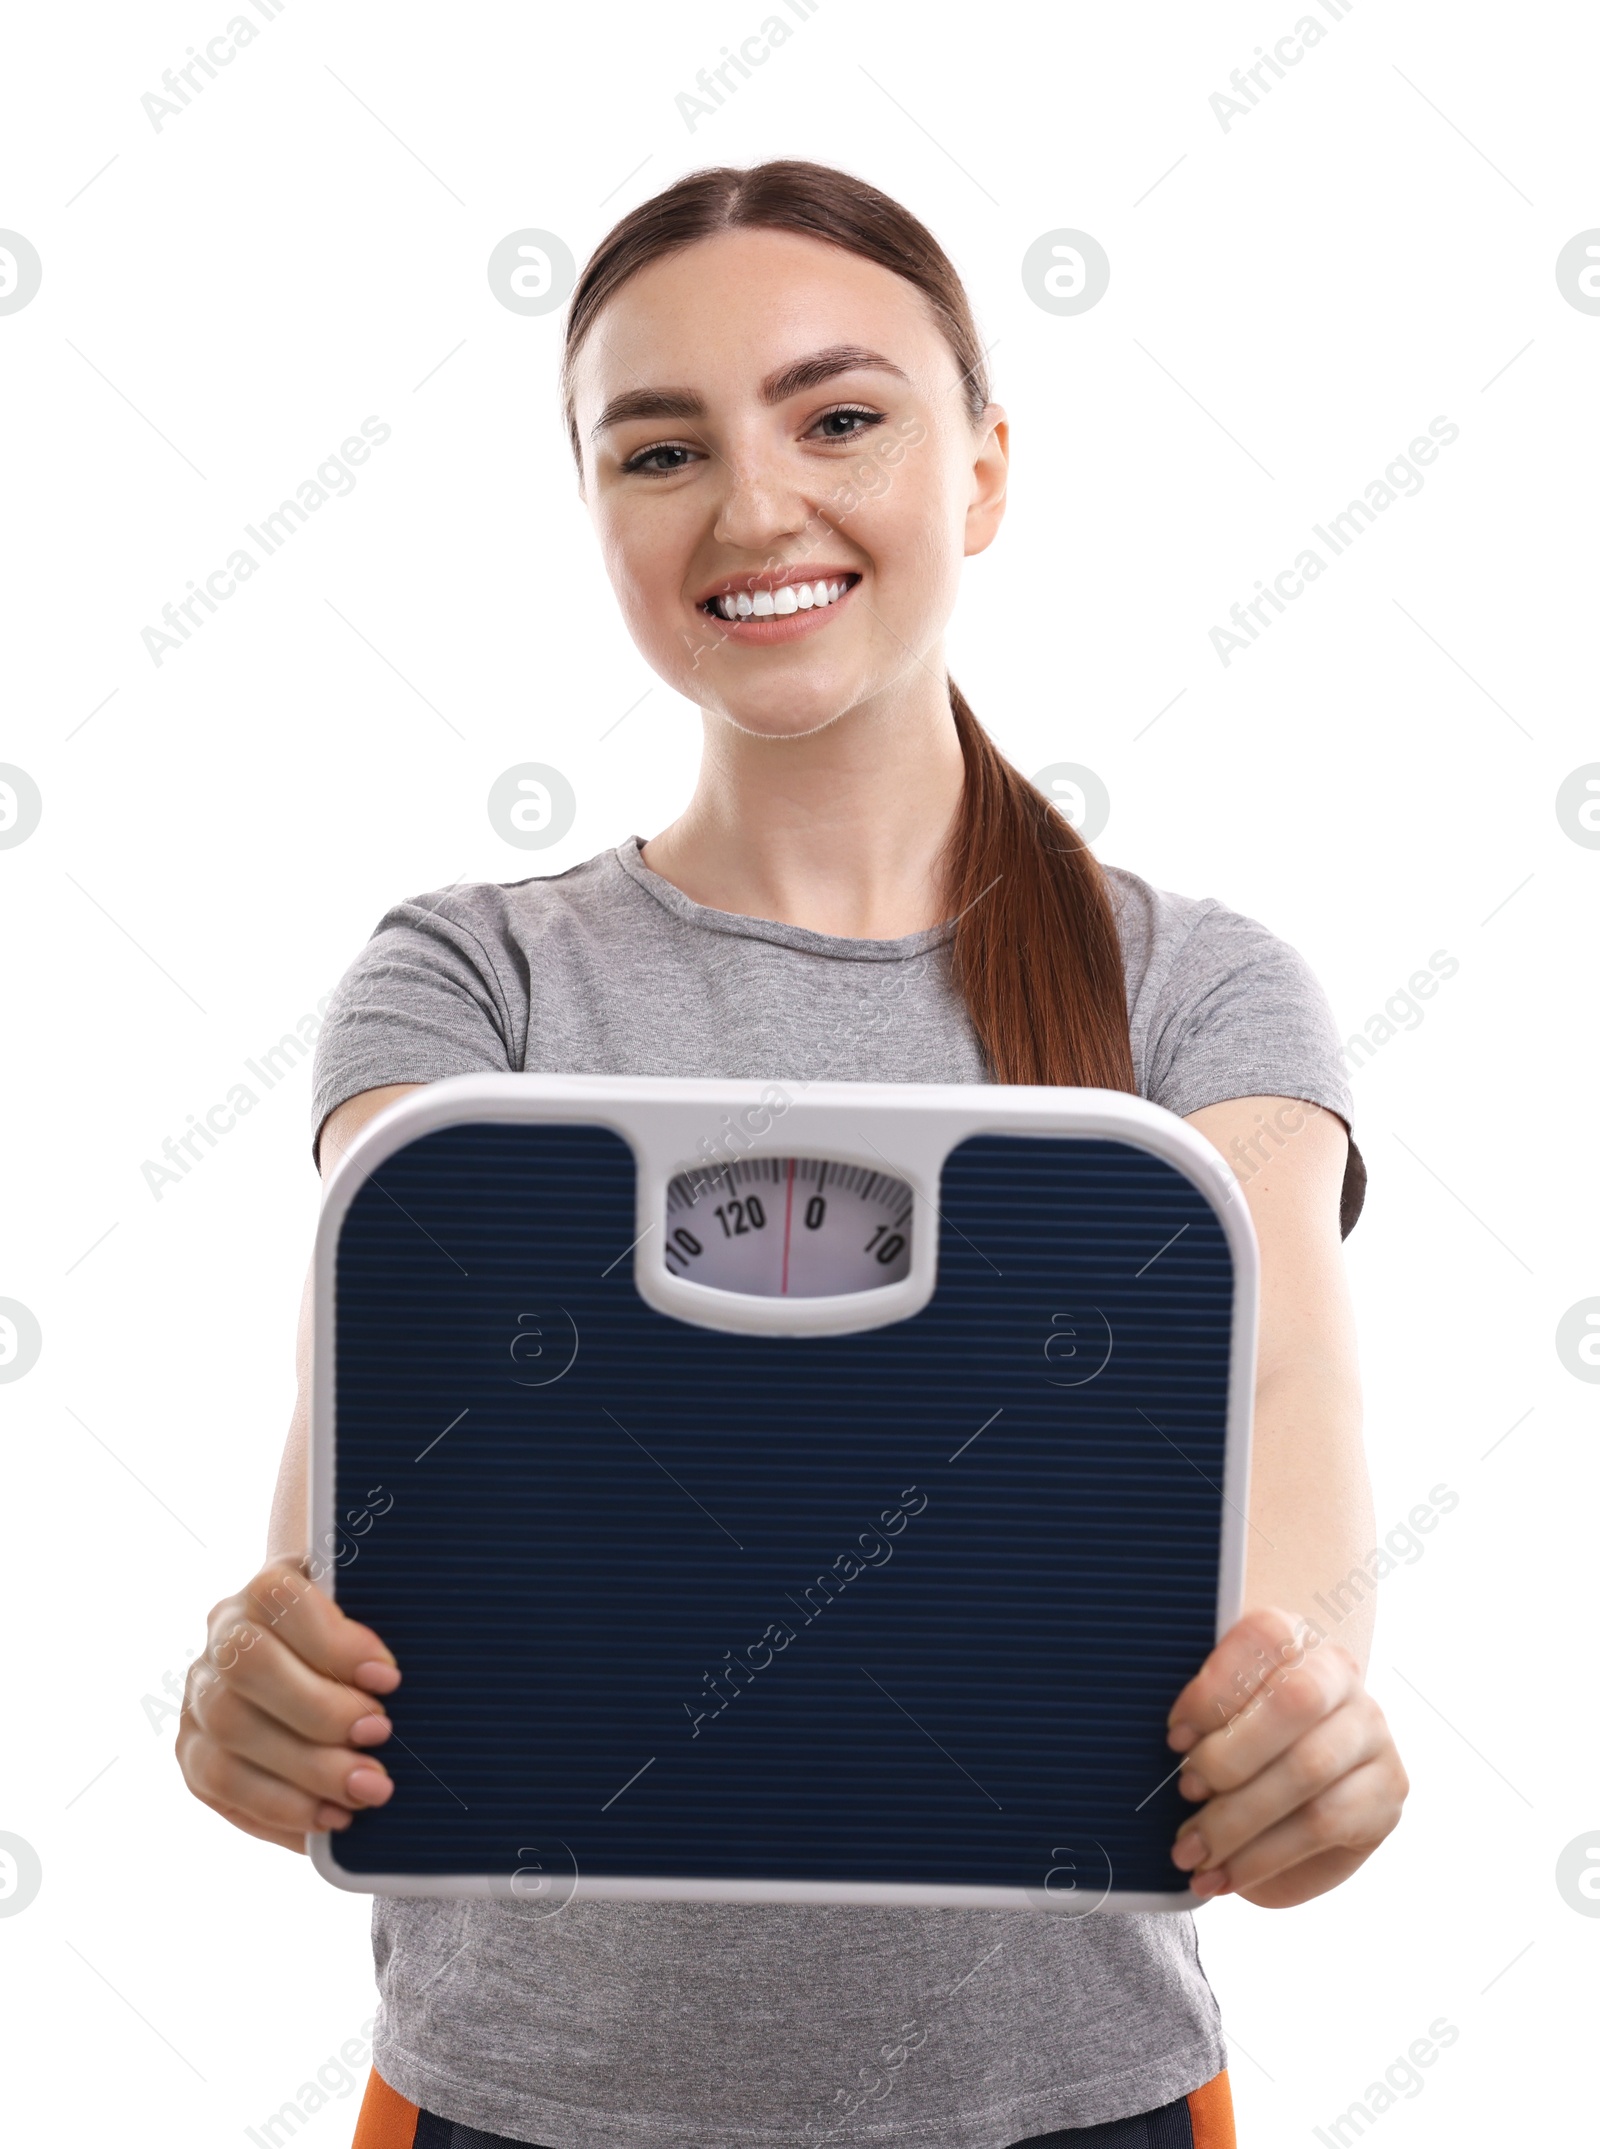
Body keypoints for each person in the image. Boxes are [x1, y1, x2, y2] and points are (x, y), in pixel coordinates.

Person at [177, 160, 1408, 2149]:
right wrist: (264, 1691)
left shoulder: (1195, 993)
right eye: (657, 450)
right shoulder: (456, 983)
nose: (751, 508)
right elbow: (354, 1541)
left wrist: (1299, 1740)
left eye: (837, 416)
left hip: (1069, 2106)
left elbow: (1285, 1492)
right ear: (592, 512)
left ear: (985, 467)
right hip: (512, 2106)